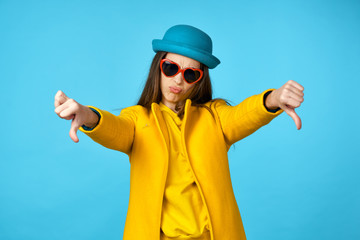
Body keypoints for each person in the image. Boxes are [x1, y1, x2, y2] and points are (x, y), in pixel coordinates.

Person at [54, 25, 304, 240]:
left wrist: (273, 99)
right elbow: (115, 130)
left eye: (190, 73)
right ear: (158, 66)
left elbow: (243, 115)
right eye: (171, 68)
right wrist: (86, 115)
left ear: (199, 79)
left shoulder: (215, 117)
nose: (178, 80)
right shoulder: (137, 120)